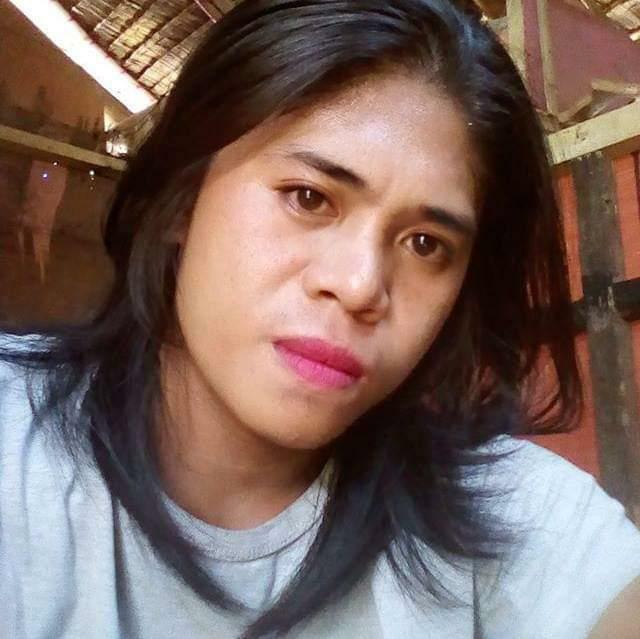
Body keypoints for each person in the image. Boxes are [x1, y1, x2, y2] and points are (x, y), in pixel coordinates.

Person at [1, 1, 639, 637]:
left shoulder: (519, 524)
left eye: (425, 245)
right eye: (308, 198)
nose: (360, 286)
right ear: (181, 200)